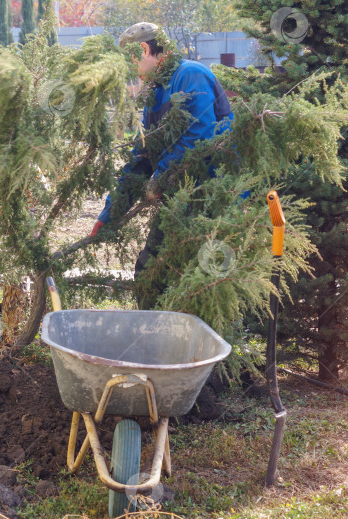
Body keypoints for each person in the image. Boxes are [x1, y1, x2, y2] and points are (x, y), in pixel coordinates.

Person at [89, 22, 234, 309]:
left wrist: (160, 177)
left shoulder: (190, 74)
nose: (132, 72)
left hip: (211, 199)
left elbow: (199, 136)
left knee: (201, 282)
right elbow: (142, 155)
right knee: (149, 272)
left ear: (144, 49)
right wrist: (110, 213)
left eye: (130, 61)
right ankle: (151, 345)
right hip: (178, 200)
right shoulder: (156, 92)